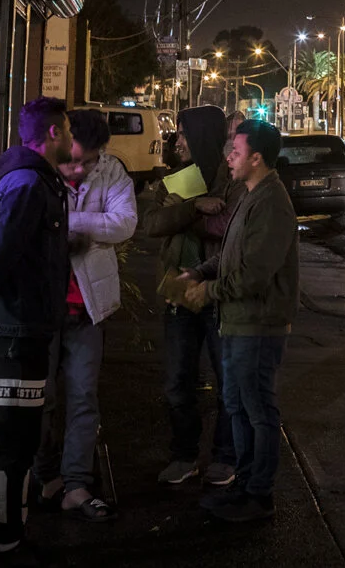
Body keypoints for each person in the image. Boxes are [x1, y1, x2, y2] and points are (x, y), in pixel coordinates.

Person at [0, 98, 72, 561]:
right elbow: (0, 256)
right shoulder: (29, 184)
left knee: (9, 435)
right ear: (50, 134)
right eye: (66, 131)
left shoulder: (33, 180)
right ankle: (6, 537)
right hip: (12, 330)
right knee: (17, 439)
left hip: (19, 325)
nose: (71, 139)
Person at [182, 118, 300, 522]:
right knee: (237, 405)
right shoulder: (250, 194)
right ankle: (245, 485)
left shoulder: (271, 202)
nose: (229, 156)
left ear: (257, 158)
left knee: (257, 409)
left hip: (258, 325)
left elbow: (253, 274)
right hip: (236, 322)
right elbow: (232, 256)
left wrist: (208, 291)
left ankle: (258, 495)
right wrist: (200, 272)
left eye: (236, 150)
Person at [33, 108, 136, 521]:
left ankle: (75, 483)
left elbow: (125, 223)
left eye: (87, 161)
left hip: (89, 307)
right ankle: (43, 476)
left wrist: (67, 221)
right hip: (42, 305)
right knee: (39, 398)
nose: (77, 168)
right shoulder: (38, 170)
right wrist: (90, 224)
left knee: (82, 398)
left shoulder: (113, 173)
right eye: (72, 158)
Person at [136, 106, 240, 487]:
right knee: (178, 382)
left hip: (218, 295)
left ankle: (225, 457)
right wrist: (194, 206)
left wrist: (184, 214)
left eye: (183, 134)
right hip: (179, 293)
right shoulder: (177, 179)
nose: (176, 141)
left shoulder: (230, 178)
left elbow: (227, 226)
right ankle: (184, 455)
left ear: (202, 136)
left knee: (228, 382)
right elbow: (152, 224)